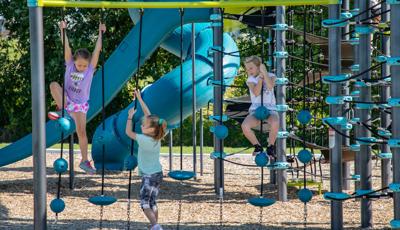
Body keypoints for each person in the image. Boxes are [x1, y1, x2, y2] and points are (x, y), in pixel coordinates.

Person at [48, 20, 106, 174]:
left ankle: (85, 161)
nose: (81, 68)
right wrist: (63, 30)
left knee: (81, 132)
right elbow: (66, 46)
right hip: (67, 101)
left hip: (80, 105)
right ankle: (63, 112)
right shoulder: (70, 64)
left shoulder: (90, 69)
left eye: (84, 66)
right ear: (74, 61)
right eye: (79, 65)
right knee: (54, 85)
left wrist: (101, 32)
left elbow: (97, 50)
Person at [125, 89, 167, 230]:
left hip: (149, 176)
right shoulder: (157, 136)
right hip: (158, 174)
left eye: (144, 125)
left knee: (144, 204)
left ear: (150, 130)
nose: (142, 125)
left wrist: (130, 117)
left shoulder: (143, 139)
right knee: (152, 202)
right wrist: (140, 99)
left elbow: (128, 132)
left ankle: (155, 225)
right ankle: (154, 225)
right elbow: (148, 115)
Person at [241, 55, 279, 157]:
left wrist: (264, 74)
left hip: (270, 109)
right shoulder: (251, 80)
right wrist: (260, 79)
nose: (249, 71)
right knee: (245, 126)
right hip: (255, 110)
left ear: (259, 67)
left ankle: (270, 146)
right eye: (247, 69)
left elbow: (270, 86)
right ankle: (257, 146)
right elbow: (256, 93)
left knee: (276, 122)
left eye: (251, 68)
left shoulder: (271, 76)